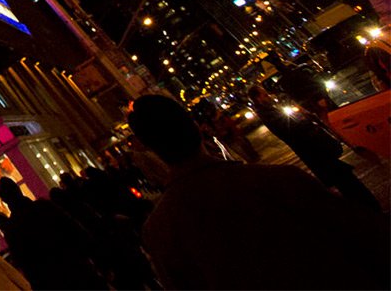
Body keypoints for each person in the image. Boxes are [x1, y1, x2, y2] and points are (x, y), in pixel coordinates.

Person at [128, 92, 389, 289]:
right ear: (198, 129)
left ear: (152, 149)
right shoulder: (278, 181)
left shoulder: (161, 231)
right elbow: (367, 238)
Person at [247, 83, 382, 210]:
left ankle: (367, 207)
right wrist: (304, 119)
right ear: (258, 99)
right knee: (346, 181)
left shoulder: (269, 111)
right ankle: (370, 208)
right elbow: (292, 129)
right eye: (264, 95)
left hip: (315, 150)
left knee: (345, 181)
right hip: (315, 150)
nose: (269, 96)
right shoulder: (268, 114)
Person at [0, 177, 106, 289]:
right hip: (78, 267)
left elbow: (27, 266)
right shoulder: (44, 206)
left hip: (53, 281)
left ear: (4, 200)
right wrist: (98, 259)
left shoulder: (13, 230)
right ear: (18, 188)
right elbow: (75, 230)